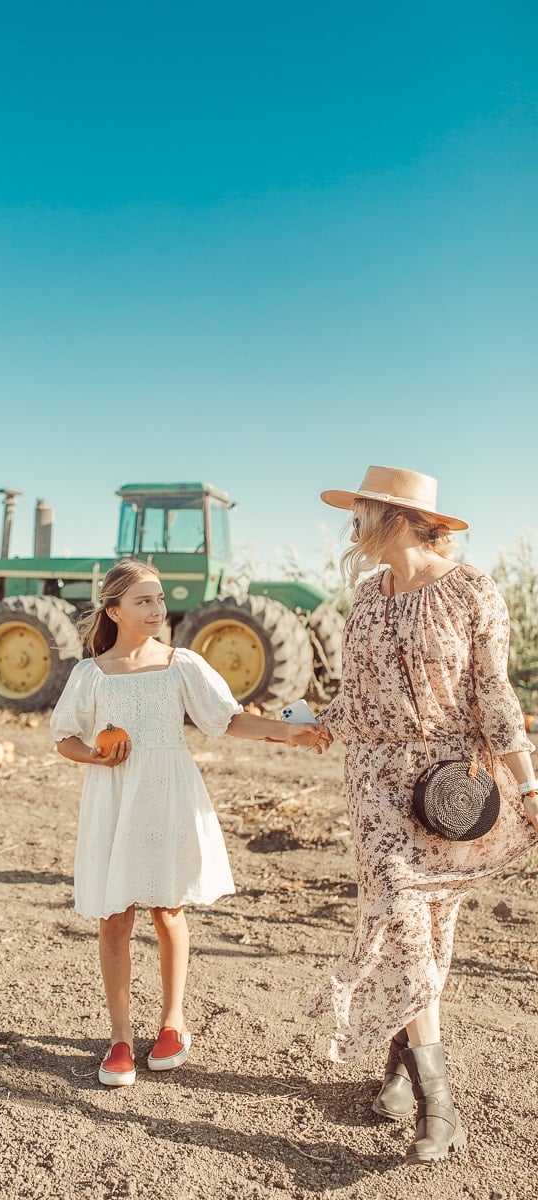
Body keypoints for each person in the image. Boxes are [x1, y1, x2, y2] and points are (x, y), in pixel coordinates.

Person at [309, 465, 538, 1164]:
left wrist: (528, 786)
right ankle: (441, 1104)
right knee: (401, 914)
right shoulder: (368, 595)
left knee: (432, 925)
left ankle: (400, 1068)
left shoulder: (472, 591)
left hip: (447, 783)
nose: (353, 529)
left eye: (362, 515)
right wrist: (322, 721)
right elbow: (360, 689)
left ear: (401, 520)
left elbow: (492, 696)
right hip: (375, 780)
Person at [49, 558, 330, 1088]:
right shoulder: (90, 673)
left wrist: (286, 733)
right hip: (115, 794)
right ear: (114, 610)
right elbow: (63, 735)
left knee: (168, 909)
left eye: (159, 600)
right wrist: (91, 755)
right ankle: (120, 1039)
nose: (158, 609)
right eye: (144, 601)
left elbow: (226, 719)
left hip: (167, 792)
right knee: (115, 917)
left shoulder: (183, 665)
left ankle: (173, 1024)